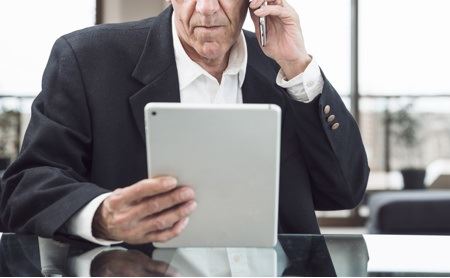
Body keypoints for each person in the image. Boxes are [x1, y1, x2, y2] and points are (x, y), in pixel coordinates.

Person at [0, 0, 369, 245]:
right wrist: (101, 216)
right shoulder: (87, 58)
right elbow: (24, 187)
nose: (206, 9)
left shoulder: (285, 69)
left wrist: (297, 68)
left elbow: (343, 192)